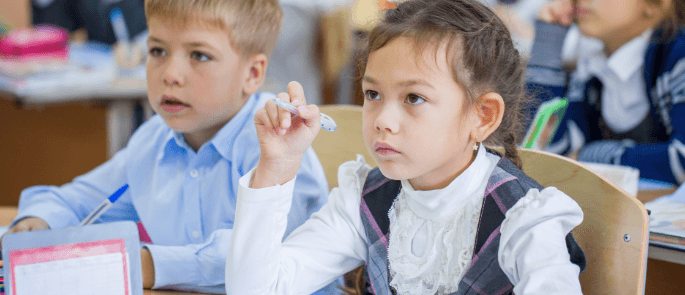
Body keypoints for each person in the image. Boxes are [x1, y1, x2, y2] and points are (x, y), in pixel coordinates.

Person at [226, 0, 586, 294]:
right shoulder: (364, 198)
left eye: (413, 97)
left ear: (483, 115)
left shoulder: (526, 219)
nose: (382, 119)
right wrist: (278, 164)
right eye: (373, 94)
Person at [5, 0, 329, 293]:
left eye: (199, 55)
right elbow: (80, 199)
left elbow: (267, 252)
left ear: (253, 73)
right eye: (158, 51)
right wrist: (38, 222)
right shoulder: (153, 140)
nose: (170, 74)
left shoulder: (279, 145)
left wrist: (149, 264)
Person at [527, 0, 685, 184]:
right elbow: (548, 152)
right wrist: (548, 40)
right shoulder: (592, 66)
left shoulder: (677, 56)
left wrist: (588, 154)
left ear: (657, 4)